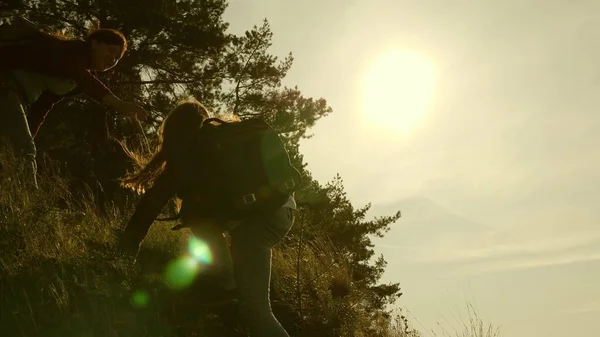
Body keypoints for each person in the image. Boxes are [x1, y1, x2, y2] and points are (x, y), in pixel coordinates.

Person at [118, 100, 296, 337]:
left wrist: (125, 251)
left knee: (256, 310)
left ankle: (225, 280)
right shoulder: (226, 137)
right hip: (282, 208)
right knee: (198, 217)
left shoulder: (183, 159)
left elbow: (149, 206)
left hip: (257, 223)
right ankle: (226, 283)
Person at [0, 17, 147, 188]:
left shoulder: (75, 82)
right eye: (110, 51)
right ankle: (29, 205)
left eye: (116, 58)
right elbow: (84, 78)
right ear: (95, 44)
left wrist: (28, 135)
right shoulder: (74, 51)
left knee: (18, 149)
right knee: (25, 151)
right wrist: (118, 103)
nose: (112, 60)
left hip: (12, 97)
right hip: (5, 86)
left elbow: (42, 107)